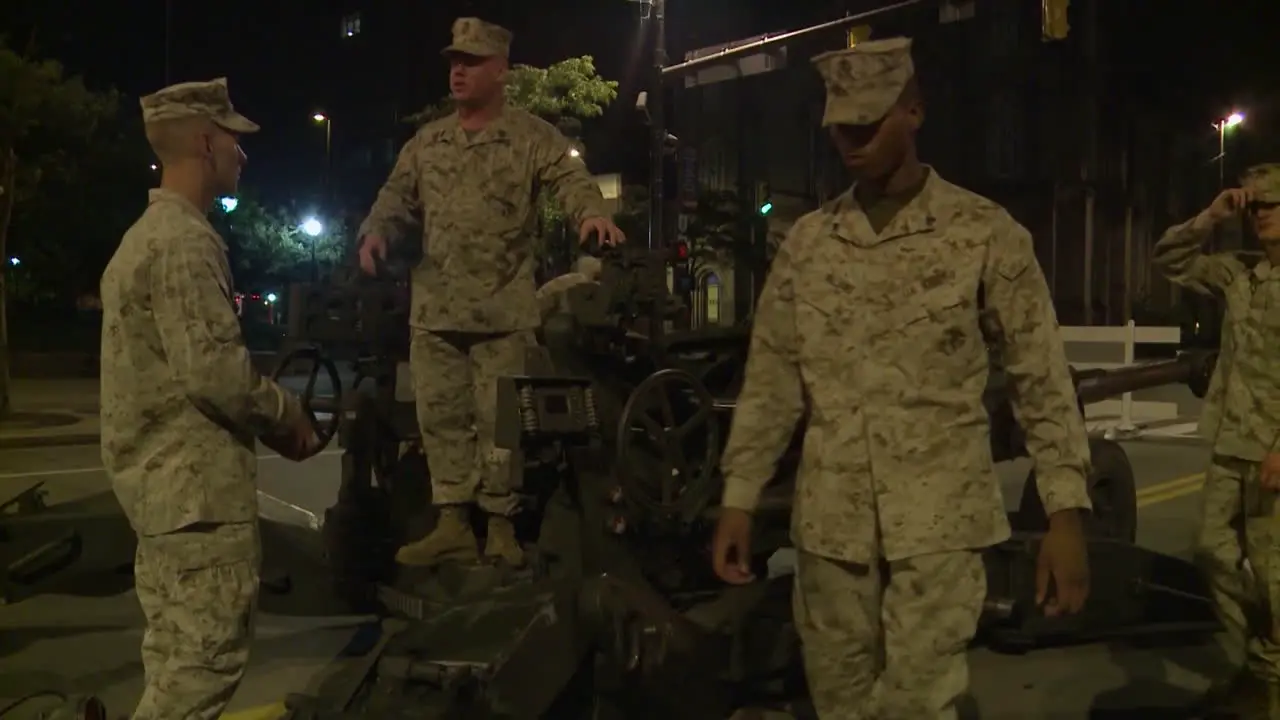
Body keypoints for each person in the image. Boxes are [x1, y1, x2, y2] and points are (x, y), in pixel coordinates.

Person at [708, 38, 1093, 719]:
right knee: (839, 703)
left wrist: (1064, 515)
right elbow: (774, 378)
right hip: (831, 526)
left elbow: (1041, 377)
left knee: (918, 706)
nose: (850, 139)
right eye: (840, 125)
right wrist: (740, 494)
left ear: (913, 112)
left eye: (868, 122)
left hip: (938, 524)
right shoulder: (810, 245)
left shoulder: (983, 234)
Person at [356, 17, 625, 568]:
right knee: (442, 419)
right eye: (454, 61)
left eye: (471, 62)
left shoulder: (531, 137)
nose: (458, 71)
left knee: (501, 426)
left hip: (503, 309)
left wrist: (592, 215)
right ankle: (453, 523)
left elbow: (571, 179)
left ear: (500, 71)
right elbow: (394, 196)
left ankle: (501, 526)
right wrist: (376, 232)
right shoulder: (427, 143)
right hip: (437, 310)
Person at [100, 77, 317, 720]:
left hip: (161, 495)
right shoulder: (186, 242)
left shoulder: (142, 238)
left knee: (172, 661)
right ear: (204, 141)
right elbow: (214, 373)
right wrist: (290, 418)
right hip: (198, 502)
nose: (242, 155)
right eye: (233, 140)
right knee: (200, 671)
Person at [1154, 164, 1280, 718]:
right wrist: (1210, 217)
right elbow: (1169, 261)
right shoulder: (1240, 273)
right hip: (1233, 440)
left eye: (1273, 204)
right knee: (1211, 551)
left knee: (1274, 571)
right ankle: (1264, 660)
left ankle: (1267, 681)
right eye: (1255, 207)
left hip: (1275, 450)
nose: (1262, 216)